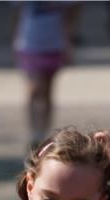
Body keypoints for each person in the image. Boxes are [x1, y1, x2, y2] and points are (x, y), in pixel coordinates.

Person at [12, 1, 79, 149]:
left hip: (54, 44)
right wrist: (15, 37)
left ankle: (43, 132)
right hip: (29, 43)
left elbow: (71, 14)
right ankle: (34, 132)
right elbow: (17, 12)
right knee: (35, 89)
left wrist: (68, 42)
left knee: (48, 90)